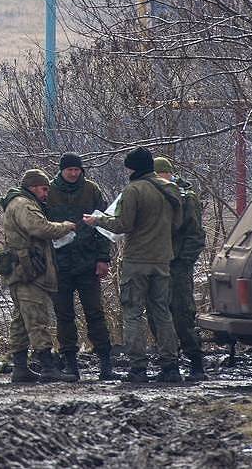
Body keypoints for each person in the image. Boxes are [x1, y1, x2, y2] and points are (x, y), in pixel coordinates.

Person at [83, 146, 183, 383]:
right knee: (162, 313)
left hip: (137, 260)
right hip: (162, 259)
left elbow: (123, 225)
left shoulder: (134, 190)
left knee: (133, 313)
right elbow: (177, 225)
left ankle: (138, 367)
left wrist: (98, 220)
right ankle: (170, 366)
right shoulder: (171, 189)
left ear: (134, 167)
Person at [0, 168, 78, 383]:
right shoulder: (24, 204)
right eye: (44, 189)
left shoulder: (16, 203)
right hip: (28, 272)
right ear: (33, 187)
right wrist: (65, 227)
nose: (46, 193)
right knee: (37, 319)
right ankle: (47, 366)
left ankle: (21, 367)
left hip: (21, 270)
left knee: (20, 320)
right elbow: (39, 228)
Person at [46, 152, 116, 381]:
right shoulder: (49, 191)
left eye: (77, 170)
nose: (74, 174)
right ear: (61, 170)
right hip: (60, 264)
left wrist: (103, 258)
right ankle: (70, 363)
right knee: (64, 315)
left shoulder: (92, 190)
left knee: (95, 313)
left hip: (88, 262)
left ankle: (105, 362)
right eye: (70, 170)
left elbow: (103, 225)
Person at [148, 156, 208, 381]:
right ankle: (169, 363)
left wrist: (183, 262)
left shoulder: (186, 198)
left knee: (183, 314)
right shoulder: (153, 196)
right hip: (157, 262)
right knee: (158, 315)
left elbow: (195, 234)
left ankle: (196, 362)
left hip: (178, 264)